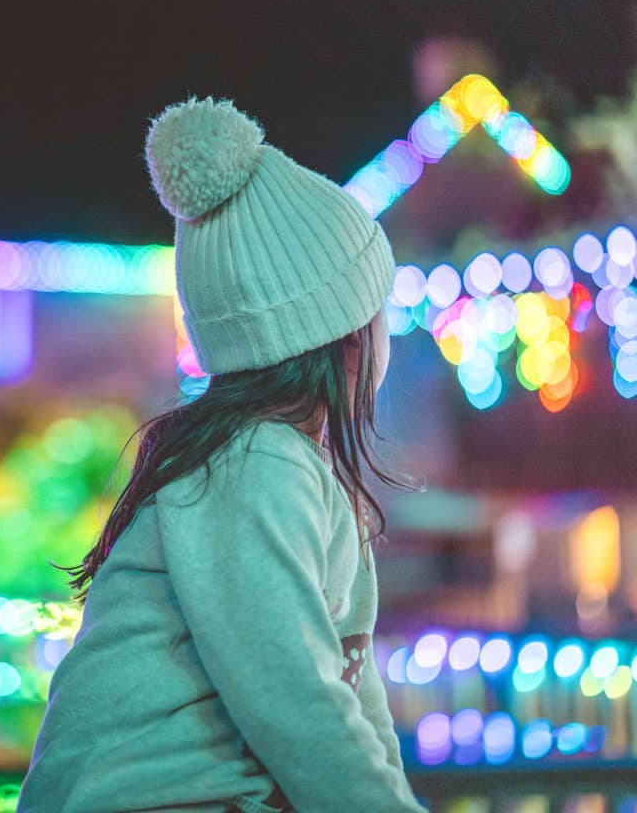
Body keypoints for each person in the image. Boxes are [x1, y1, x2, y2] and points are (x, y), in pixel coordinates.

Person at [21, 99, 425, 812]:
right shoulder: (254, 467)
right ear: (348, 333)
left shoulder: (287, 469)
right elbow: (294, 699)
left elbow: (354, 704)